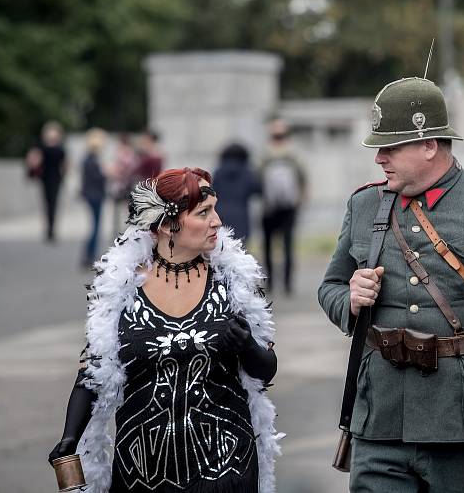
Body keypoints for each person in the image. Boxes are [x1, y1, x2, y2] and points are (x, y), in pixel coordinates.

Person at [318, 77, 464, 492]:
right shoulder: (364, 205)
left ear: (429, 145)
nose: (379, 158)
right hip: (380, 421)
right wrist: (351, 299)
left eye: (390, 147)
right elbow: (331, 287)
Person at [49, 167, 281, 493]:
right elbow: (94, 373)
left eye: (215, 209)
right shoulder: (121, 286)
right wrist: (70, 436)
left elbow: (266, 370)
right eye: (203, 212)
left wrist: (246, 346)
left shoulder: (233, 281)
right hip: (142, 473)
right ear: (168, 225)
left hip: (225, 469)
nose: (217, 221)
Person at [260, 118, 306, 295]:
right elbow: (303, 178)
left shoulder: (267, 154)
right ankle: (280, 284)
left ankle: (279, 283)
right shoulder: (292, 154)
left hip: (278, 206)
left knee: (278, 246)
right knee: (278, 246)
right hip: (279, 207)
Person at [212, 142, 262, 244]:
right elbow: (257, 190)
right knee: (240, 248)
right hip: (241, 215)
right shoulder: (247, 172)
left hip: (220, 213)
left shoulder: (218, 172)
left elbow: (212, 191)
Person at [26, 120, 67, 242]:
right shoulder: (42, 147)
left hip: (55, 179)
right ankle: (49, 229)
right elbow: (33, 160)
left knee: (53, 204)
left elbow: (65, 165)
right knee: (48, 204)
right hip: (45, 178)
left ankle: (51, 230)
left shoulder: (60, 149)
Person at [79, 128, 108, 269]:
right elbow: (97, 178)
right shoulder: (91, 160)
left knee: (95, 226)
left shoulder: (89, 159)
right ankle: (88, 255)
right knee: (95, 227)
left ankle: (89, 255)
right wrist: (106, 173)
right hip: (95, 196)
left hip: (93, 195)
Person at [109, 133, 139, 236]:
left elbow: (119, 170)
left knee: (123, 212)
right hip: (127, 185)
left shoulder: (124, 154)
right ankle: (126, 232)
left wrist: (114, 172)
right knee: (127, 211)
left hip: (122, 186)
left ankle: (123, 233)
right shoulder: (132, 154)